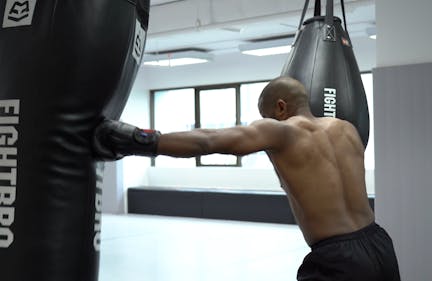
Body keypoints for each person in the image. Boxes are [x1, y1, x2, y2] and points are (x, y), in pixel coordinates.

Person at [93, 76, 400, 281]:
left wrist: (139, 141)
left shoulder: (281, 130)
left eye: (266, 114)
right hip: (380, 245)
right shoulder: (346, 129)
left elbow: (208, 141)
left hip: (337, 259)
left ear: (281, 108)